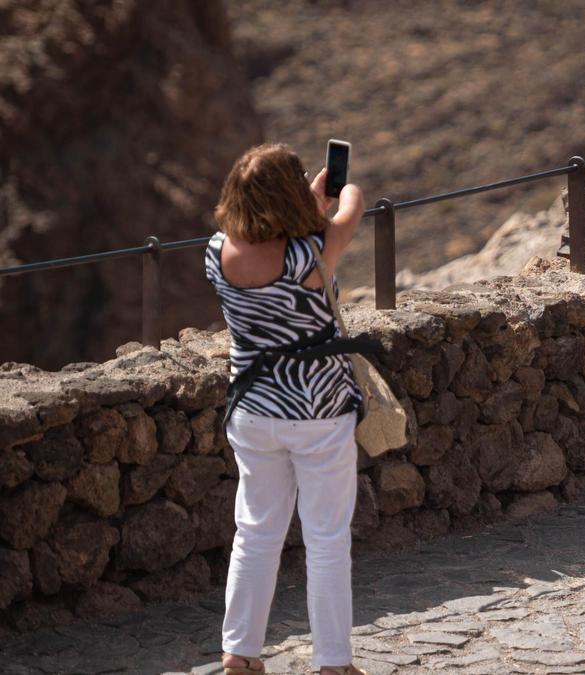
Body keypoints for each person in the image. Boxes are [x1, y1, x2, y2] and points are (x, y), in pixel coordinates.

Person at [206, 143, 369, 675]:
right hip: (318, 411)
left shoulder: (215, 253)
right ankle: (333, 663)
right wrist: (325, 194)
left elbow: (274, 249)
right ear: (286, 194)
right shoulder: (310, 255)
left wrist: (302, 201)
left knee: (255, 532)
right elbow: (354, 205)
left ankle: (239, 653)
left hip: (252, 409)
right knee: (325, 538)